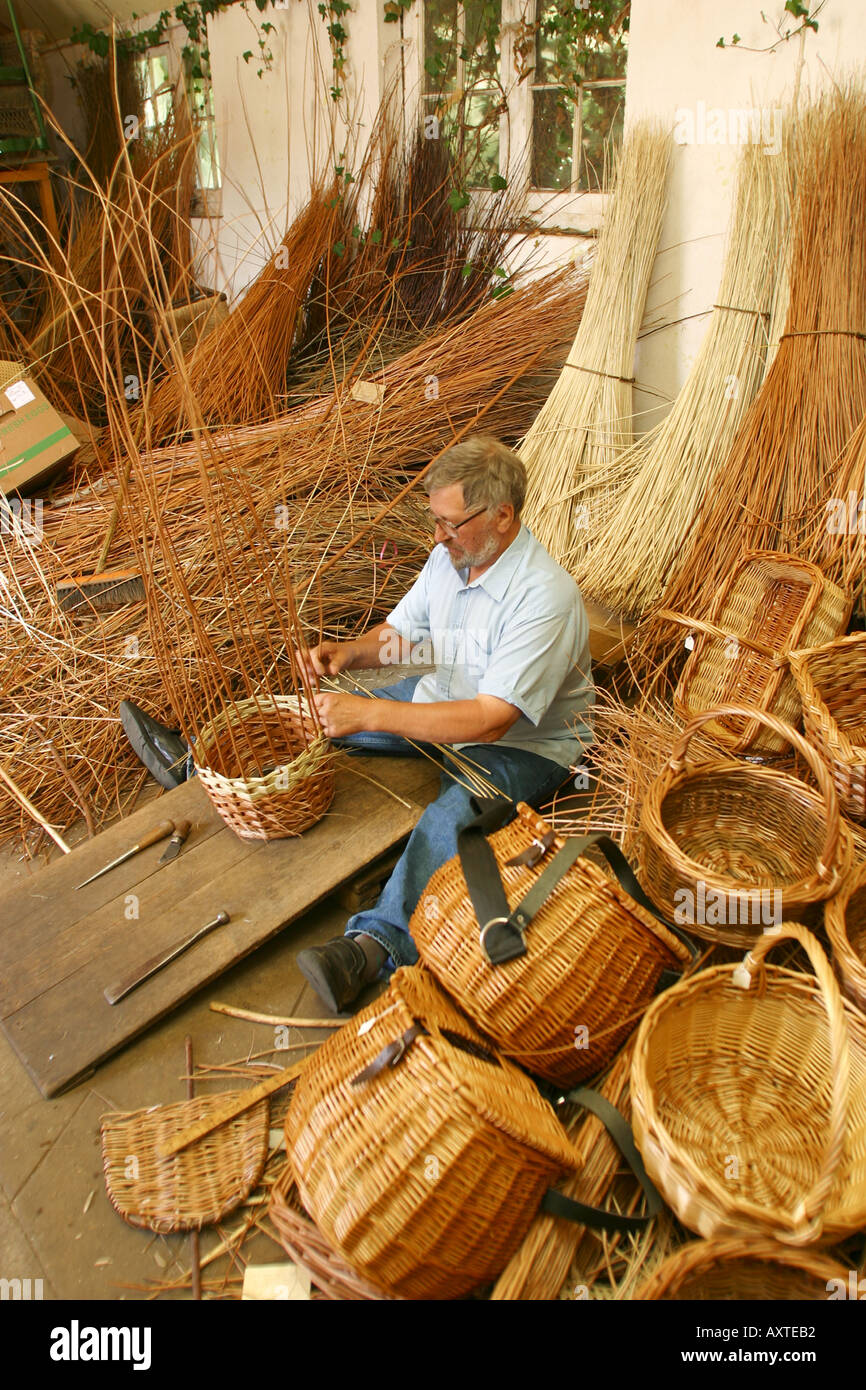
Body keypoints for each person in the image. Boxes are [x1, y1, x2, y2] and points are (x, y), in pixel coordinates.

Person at [293, 433, 594, 1013]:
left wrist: (376, 712)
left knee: (452, 819)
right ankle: (199, 766)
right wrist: (349, 654)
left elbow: (489, 721)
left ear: (503, 516)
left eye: (450, 523)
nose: (437, 536)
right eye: (434, 520)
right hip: (444, 698)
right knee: (326, 717)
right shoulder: (451, 558)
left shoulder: (545, 597)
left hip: (525, 745)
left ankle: (369, 950)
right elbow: (403, 635)